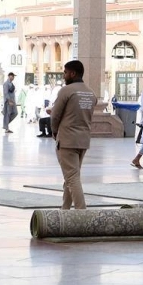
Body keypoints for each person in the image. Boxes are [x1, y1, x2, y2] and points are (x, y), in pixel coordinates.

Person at [50, 60, 97, 208]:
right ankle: (65, 210)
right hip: (83, 140)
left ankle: (81, 212)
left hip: (67, 140)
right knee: (71, 176)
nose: (64, 76)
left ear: (72, 73)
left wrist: (54, 131)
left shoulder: (66, 91)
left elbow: (55, 116)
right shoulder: (91, 93)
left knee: (72, 178)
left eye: (65, 72)